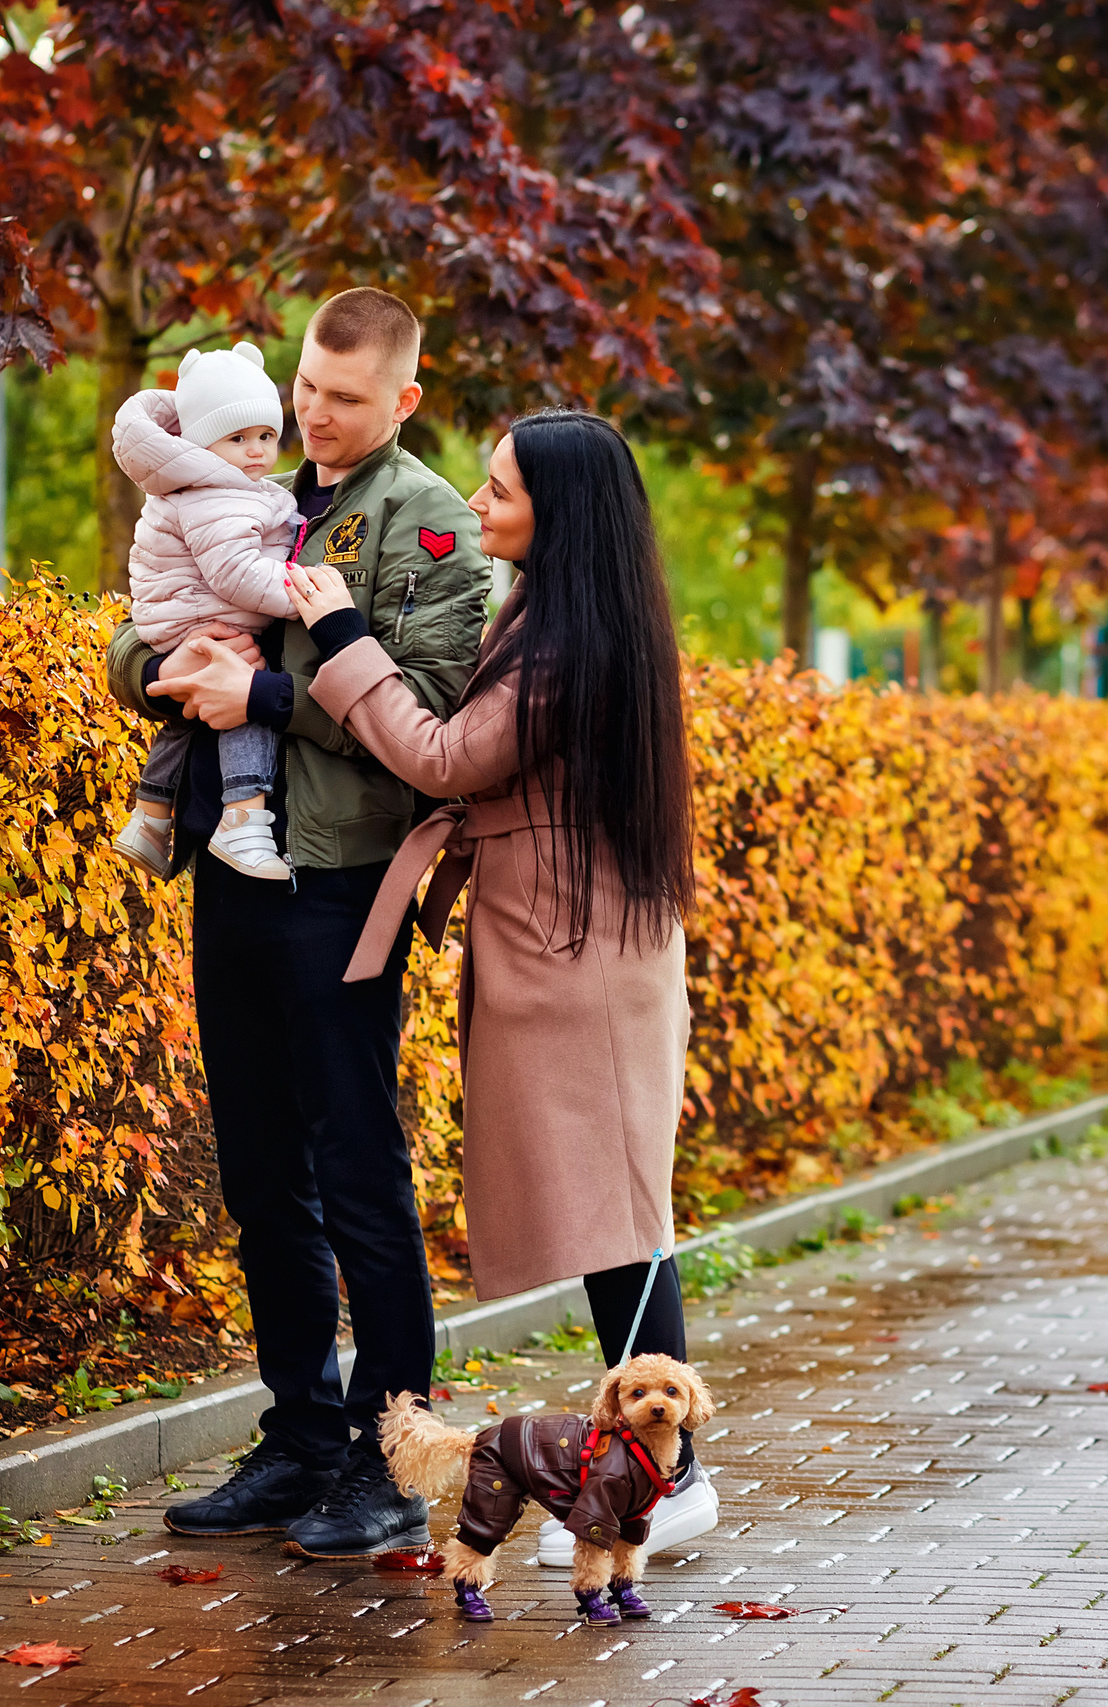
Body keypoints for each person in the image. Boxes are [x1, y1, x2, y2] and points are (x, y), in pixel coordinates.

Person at [184, 408, 719, 1564]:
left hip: (580, 953)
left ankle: (667, 1481)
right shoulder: (564, 617)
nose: (476, 505)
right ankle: (649, 1475)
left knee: (620, 1211)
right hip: (561, 938)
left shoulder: (574, 642)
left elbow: (442, 755)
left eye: (500, 492)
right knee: (611, 1209)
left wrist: (337, 637)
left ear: (559, 515)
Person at [108, 288, 490, 1558]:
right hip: (233, 861)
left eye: (343, 400)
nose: (314, 421)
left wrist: (260, 685)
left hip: (338, 878)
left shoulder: (429, 523)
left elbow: (431, 719)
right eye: (304, 396)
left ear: (403, 402)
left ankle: (395, 1449)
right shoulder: (237, 474)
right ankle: (301, 1436)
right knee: (261, 1168)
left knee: (355, 1168)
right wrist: (162, 670)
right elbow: (144, 628)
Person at [108, 341, 301, 883]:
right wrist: (301, 596)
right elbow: (236, 573)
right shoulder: (220, 493)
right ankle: (243, 816)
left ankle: (150, 816)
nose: (258, 451)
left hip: (178, 617)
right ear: (201, 443)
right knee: (245, 698)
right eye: (237, 438)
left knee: (187, 716)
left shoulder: (200, 483)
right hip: (207, 614)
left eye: (266, 435)